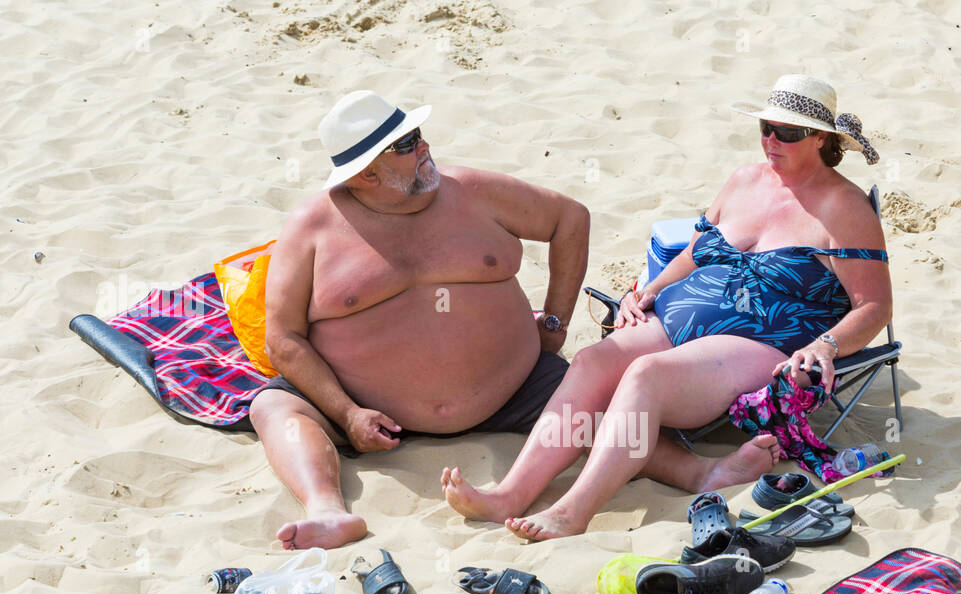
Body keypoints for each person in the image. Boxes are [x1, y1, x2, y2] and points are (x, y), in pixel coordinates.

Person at [442, 75, 893, 540]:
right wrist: (647, 290)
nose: (771, 141)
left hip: (764, 343)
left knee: (645, 376)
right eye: (765, 127)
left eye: (789, 132)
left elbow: (875, 305)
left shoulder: (845, 210)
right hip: (681, 316)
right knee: (594, 359)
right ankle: (512, 493)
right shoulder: (744, 180)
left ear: (821, 139)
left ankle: (572, 512)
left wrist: (826, 345)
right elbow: (694, 251)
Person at [250, 90, 590, 550]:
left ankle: (702, 473)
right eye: (406, 144)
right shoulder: (312, 227)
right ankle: (326, 510)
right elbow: (283, 339)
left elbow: (570, 219)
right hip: (369, 410)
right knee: (273, 408)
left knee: (612, 410)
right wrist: (348, 414)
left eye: (417, 135)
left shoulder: (473, 191)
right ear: (367, 172)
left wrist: (554, 323)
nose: (425, 147)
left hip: (518, 386)